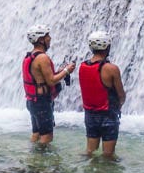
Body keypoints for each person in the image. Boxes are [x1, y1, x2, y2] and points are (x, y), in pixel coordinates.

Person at [22, 24, 76, 145]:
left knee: (36, 133)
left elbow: (41, 78)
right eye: (47, 36)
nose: (50, 38)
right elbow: (51, 80)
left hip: (32, 101)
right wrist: (67, 70)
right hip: (41, 102)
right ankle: (40, 162)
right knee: (46, 137)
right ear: (41, 40)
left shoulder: (29, 56)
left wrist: (61, 71)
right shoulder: (42, 58)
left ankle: (32, 157)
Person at [78, 31, 126, 159]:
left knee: (90, 152)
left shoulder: (82, 66)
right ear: (107, 47)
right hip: (108, 115)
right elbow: (121, 95)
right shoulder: (111, 69)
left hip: (90, 115)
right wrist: (119, 106)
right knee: (108, 155)